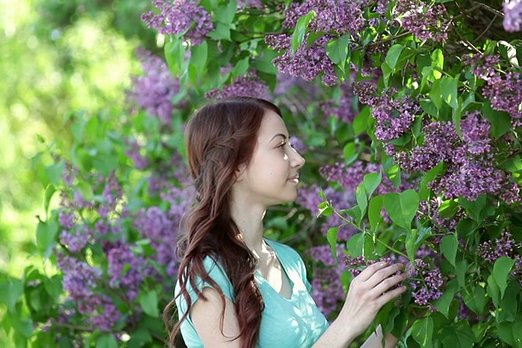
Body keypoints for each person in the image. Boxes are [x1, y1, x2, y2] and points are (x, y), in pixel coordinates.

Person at [163, 97, 408, 348]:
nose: (298, 158)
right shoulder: (207, 274)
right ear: (235, 166)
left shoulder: (289, 261)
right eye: (281, 145)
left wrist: (399, 318)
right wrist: (347, 322)